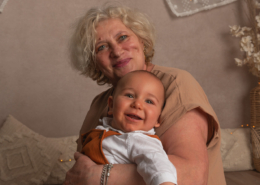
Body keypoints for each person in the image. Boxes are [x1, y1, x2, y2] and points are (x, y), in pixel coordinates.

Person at [64, 4, 226, 185]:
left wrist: (98, 176)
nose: (117, 51)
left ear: (142, 40)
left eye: (123, 37)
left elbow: (193, 175)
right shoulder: (98, 104)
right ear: (94, 62)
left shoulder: (176, 84)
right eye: (102, 47)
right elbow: (80, 170)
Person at [81, 70, 177, 185]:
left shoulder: (139, 140)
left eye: (149, 101)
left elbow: (157, 163)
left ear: (158, 119)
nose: (137, 104)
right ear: (111, 105)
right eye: (129, 95)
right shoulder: (105, 129)